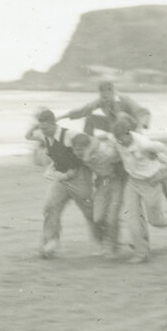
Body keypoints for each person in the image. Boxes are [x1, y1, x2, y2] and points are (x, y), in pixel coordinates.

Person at [109, 118, 167, 263]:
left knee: (155, 220)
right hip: (132, 181)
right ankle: (141, 253)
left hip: (150, 181)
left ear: (128, 134)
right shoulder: (117, 141)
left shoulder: (143, 144)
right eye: (117, 139)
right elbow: (110, 142)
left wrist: (155, 155)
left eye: (121, 138)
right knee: (132, 218)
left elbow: (161, 147)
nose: (119, 142)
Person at [25, 109, 98, 259]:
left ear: (54, 124)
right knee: (50, 207)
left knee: (89, 212)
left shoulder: (69, 135)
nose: (43, 131)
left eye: (46, 128)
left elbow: (92, 141)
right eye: (41, 128)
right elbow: (28, 136)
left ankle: (101, 242)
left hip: (79, 177)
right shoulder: (44, 134)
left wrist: (86, 158)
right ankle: (50, 244)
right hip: (61, 179)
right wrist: (36, 125)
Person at [71, 132, 126, 259]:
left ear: (88, 147)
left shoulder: (107, 152)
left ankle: (111, 247)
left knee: (112, 218)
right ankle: (108, 245)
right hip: (102, 183)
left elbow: (120, 148)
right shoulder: (80, 156)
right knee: (97, 218)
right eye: (75, 150)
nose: (77, 153)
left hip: (117, 182)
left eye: (80, 150)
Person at [58, 81, 152, 135]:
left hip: (131, 129)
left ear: (113, 92)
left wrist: (140, 128)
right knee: (90, 118)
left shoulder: (124, 99)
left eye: (106, 97)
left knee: (121, 116)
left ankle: (123, 141)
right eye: (102, 97)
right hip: (113, 126)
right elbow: (84, 110)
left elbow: (143, 113)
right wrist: (60, 117)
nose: (104, 100)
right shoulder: (102, 100)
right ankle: (90, 142)